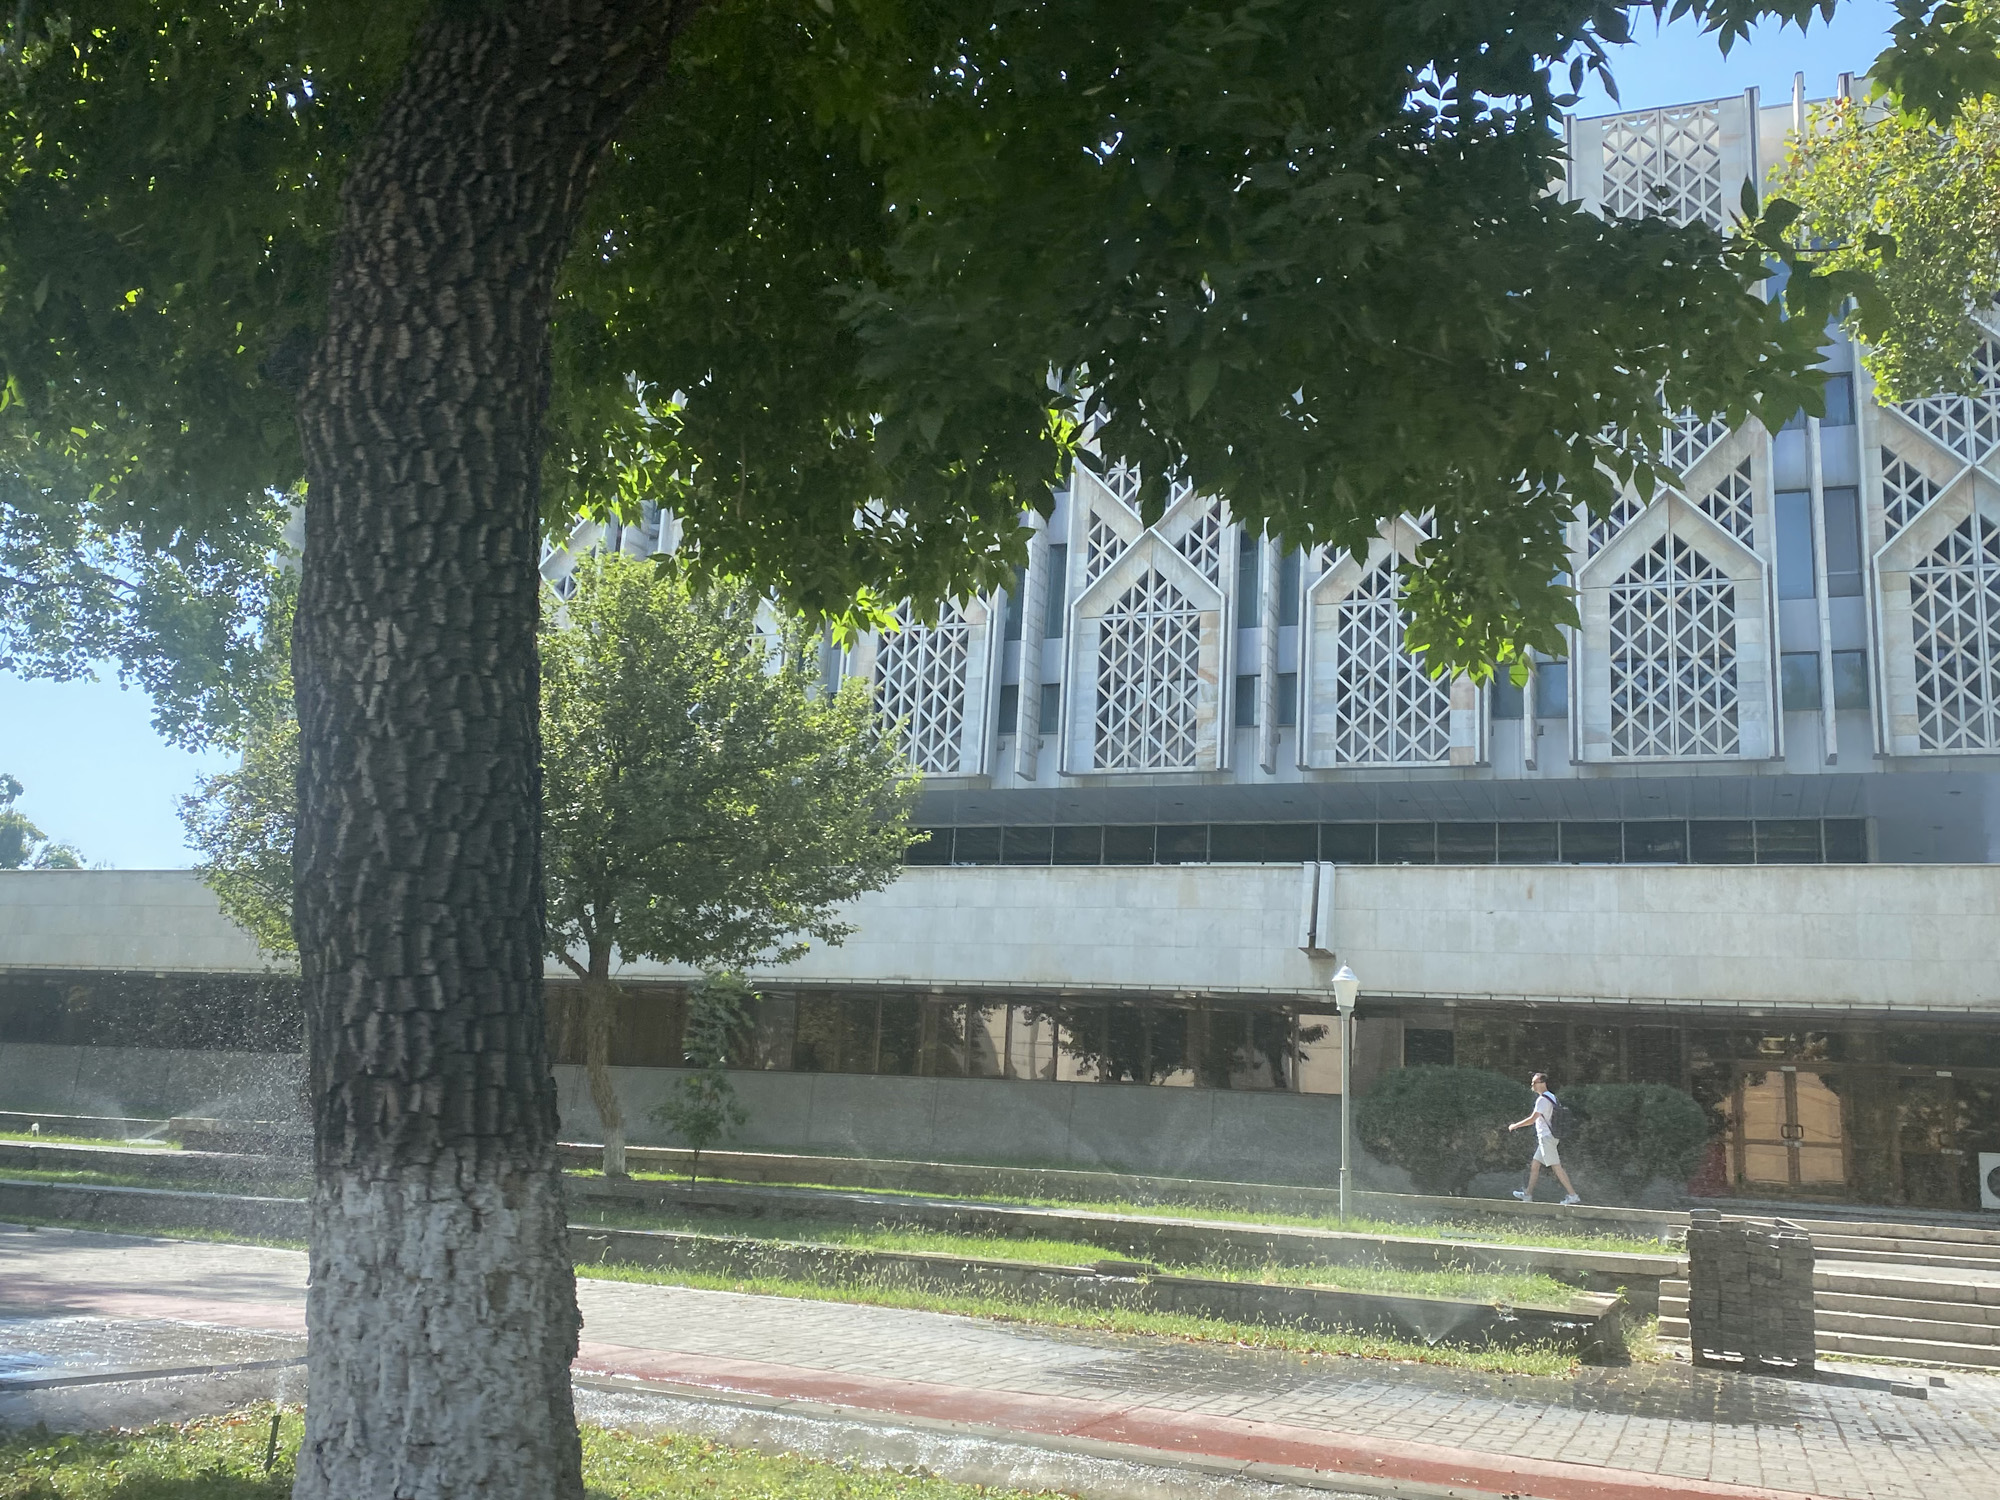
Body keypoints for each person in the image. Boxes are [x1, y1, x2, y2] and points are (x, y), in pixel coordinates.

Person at [1508, 1072, 1581, 1205]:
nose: (1532, 1085)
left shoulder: (1542, 1100)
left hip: (1547, 1138)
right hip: (1550, 1137)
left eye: (1535, 1083)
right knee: (1535, 1165)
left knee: (1557, 1167)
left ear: (1543, 1083)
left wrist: (1515, 1125)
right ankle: (1528, 1194)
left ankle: (1573, 1195)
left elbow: (1532, 1119)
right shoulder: (1552, 1097)